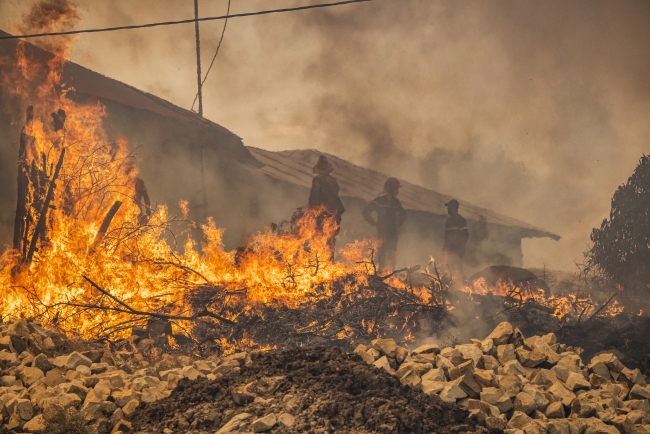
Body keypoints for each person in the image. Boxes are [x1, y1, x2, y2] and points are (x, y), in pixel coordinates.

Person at [362, 177, 406, 270]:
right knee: (382, 252)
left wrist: (399, 224)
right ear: (390, 189)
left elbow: (403, 214)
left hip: (393, 232)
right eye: (396, 189)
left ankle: (391, 272)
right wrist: (375, 224)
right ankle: (381, 271)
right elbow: (366, 212)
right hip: (383, 232)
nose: (397, 191)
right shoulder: (379, 200)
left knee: (392, 253)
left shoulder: (395, 201)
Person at [308, 155, 345, 257]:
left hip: (323, 211)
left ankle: (319, 259)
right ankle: (329, 259)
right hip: (336, 210)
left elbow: (315, 194)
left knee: (319, 235)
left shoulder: (317, 179)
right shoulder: (333, 180)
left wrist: (312, 208)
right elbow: (336, 192)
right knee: (331, 238)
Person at [443, 199, 469, 284]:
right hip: (450, 250)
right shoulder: (448, 221)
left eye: (449, 208)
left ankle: (463, 285)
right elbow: (446, 237)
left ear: (455, 208)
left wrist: (461, 247)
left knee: (458, 267)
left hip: (457, 250)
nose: (448, 210)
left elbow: (466, 235)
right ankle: (451, 284)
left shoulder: (461, 220)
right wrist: (444, 248)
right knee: (449, 268)